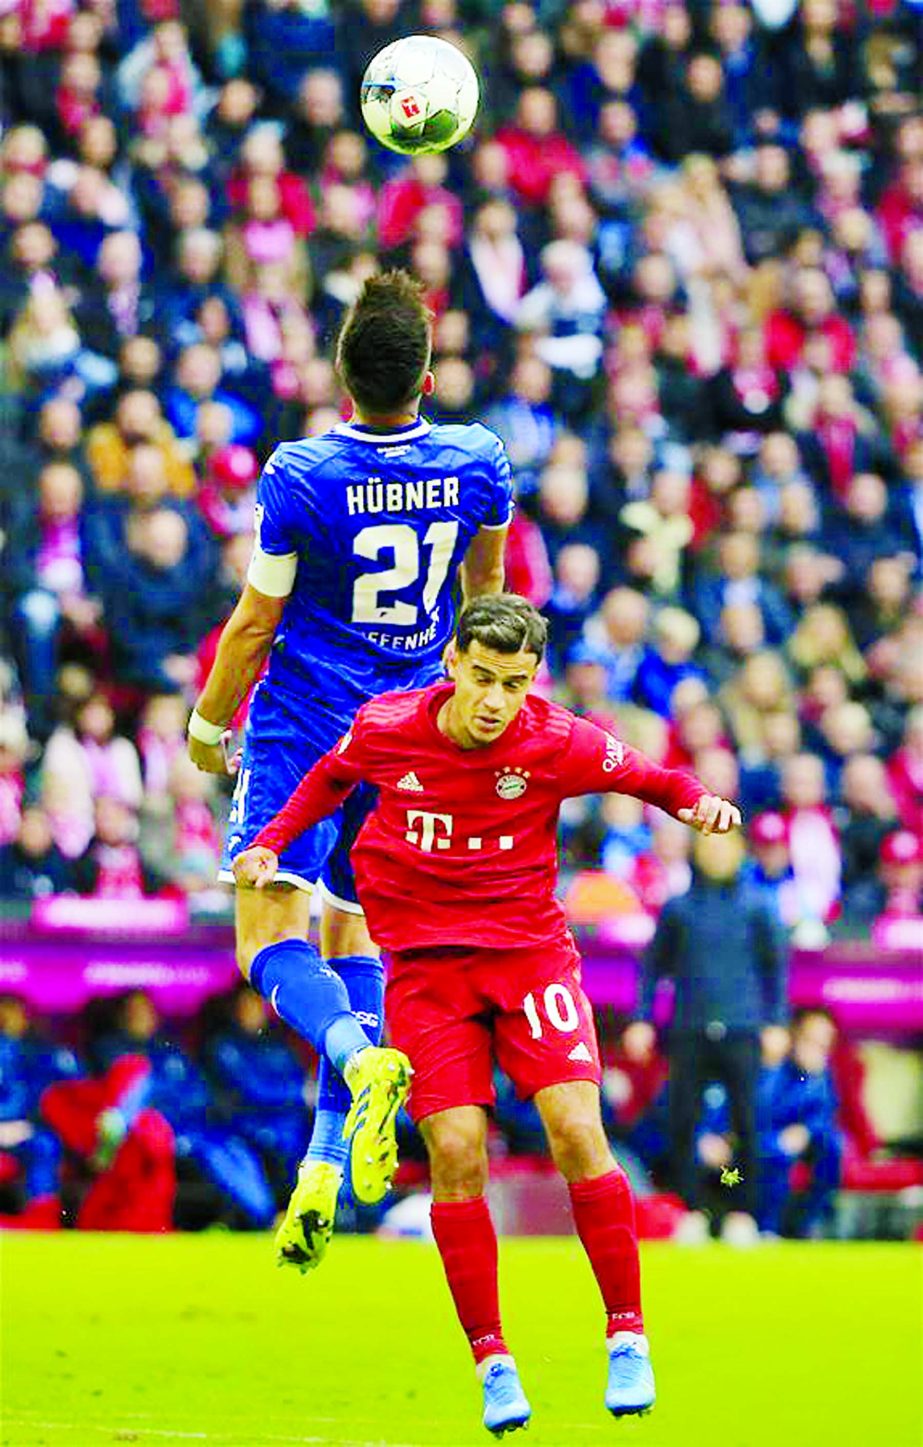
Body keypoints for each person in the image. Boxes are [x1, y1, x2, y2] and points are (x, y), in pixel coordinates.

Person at [233, 595, 741, 1434]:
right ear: (451, 666)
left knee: (577, 1129)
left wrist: (699, 804)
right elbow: (330, 776)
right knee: (457, 1153)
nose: (496, 698)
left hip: (528, 956)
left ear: (530, 679)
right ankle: (492, 1360)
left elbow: (647, 777)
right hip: (429, 976)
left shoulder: (557, 738)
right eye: (482, 677)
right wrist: (272, 840)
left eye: (513, 681)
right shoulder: (391, 725)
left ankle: (626, 1335)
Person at [188, 271, 512, 1270]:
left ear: (342, 371)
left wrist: (208, 725)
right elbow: (485, 597)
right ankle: (323, 1168)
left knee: (266, 939)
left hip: (302, 733)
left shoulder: (298, 473)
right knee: (356, 930)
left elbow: (254, 622)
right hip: (409, 727)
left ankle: (355, 1055)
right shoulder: (476, 461)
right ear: (425, 373)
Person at [627, 829, 788, 1246]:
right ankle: (691, 1209)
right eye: (708, 846)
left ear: (739, 852)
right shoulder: (679, 908)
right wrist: (642, 1018)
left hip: (742, 1029)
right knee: (683, 1122)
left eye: (724, 846)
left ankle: (741, 1210)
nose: (716, 854)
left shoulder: (756, 906)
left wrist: (775, 1022)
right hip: (690, 1028)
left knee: (747, 1124)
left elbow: (776, 970)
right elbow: (653, 967)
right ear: (696, 853)